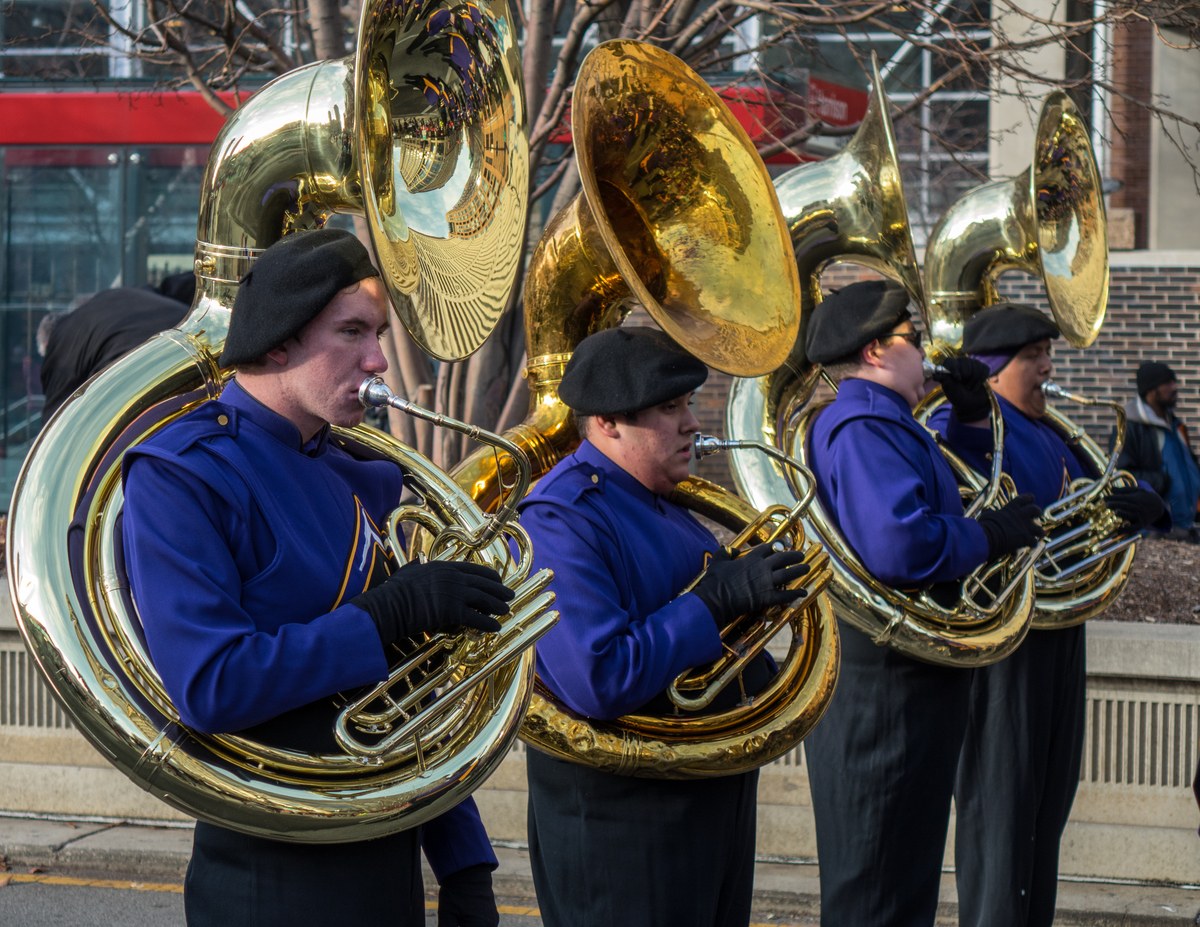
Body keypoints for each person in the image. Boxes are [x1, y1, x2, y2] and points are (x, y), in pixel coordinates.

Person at [121, 229, 508, 927]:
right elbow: (212, 684)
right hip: (272, 875)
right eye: (352, 331)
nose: (379, 359)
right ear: (277, 341)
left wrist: (465, 862)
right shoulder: (183, 470)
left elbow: (410, 695)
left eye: (379, 332)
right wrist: (384, 615)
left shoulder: (360, 471)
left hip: (389, 856)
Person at [516, 325, 811, 927]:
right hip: (625, 830)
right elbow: (600, 677)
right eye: (669, 408)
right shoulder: (560, 517)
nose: (692, 423)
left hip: (704, 803)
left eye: (689, 404)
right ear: (607, 423)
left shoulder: (663, 503)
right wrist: (714, 602)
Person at [799, 280, 1044, 927]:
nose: (928, 349)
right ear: (877, 349)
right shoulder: (860, 424)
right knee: (875, 896)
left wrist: (967, 419)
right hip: (883, 697)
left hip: (907, 689)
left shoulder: (890, 423)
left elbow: (941, 506)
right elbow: (898, 543)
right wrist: (987, 535)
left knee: (901, 890)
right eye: (913, 336)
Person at [926, 302, 1166, 927]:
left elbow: (1099, 495)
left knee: (1045, 810)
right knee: (1003, 813)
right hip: (1010, 640)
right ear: (995, 368)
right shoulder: (971, 422)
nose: (1047, 367)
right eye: (1033, 357)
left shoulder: (1053, 430)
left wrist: (1134, 502)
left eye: (1047, 355)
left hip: (1060, 630)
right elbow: (966, 493)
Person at [40, 271, 197, 420]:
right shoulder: (110, 298)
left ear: (47, 344)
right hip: (196, 338)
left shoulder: (62, 344)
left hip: (149, 377)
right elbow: (177, 287)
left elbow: (56, 422)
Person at [1116, 361, 1200, 541]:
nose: (1175, 387)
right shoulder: (1129, 427)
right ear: (1151, 392)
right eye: (1168, 383)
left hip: (1186, 531)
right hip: (1157, 534)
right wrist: (1162, 481)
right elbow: (1122, 476)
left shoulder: (1176, 425)